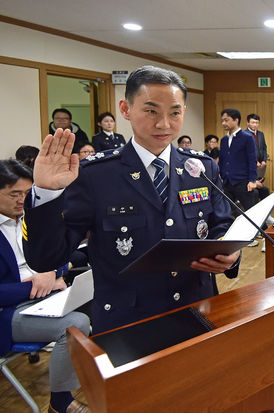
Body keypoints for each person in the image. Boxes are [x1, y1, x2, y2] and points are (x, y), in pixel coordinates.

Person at [23, 65, 242, 334]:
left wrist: (232, 254)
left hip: (198, 309)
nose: (164, 124)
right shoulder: (96, 174)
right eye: (151, 111)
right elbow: (46, 258)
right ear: (125, 109)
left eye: (175, 112)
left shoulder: (202, 168)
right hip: (128, 321)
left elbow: (221, 227)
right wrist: (47, 193)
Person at [0, 159, 91, 413]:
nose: (22, 200)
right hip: (9, 311)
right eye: (14, 194)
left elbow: (60, 256)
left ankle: (104, 378)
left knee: (98, 301)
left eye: (27, 194)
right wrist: (33, 286)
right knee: (74, 326)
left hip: (43, 298)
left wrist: (51, 272)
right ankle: (60, 403)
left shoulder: (30, 219)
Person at [219, 108, 258, 211]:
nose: (223, 123)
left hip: (243, 183)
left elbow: (252, 160)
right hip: (227, 183)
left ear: (236, 120)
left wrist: (252, 180)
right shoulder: (224, 140)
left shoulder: (247, 138)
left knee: (252, 213)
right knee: (227, 213)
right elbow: (222, 160)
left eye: (226, 120)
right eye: (222, 120)